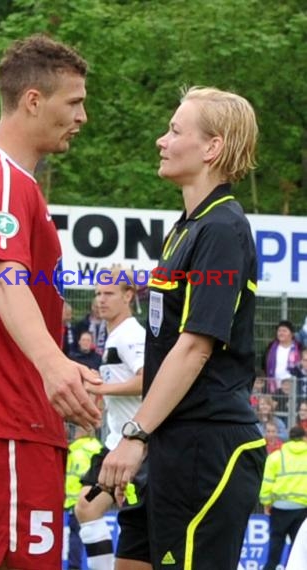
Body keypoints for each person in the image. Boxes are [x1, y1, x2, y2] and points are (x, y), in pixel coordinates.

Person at [0, 34, 101, 570]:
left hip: (5, 416)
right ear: (33, 100)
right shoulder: (6, 182)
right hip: (6, 418)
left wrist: (59, 367)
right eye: (73, 102)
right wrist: (54, 364)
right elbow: (4, 280)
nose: (82, 115)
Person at [99, 86, 267, 570]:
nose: (161, 140)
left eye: (174, 130)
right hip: (168, 442)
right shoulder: (187, 228)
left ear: (212, 148)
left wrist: (134, 434)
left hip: (206, 444)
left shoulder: (222, 228)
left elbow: (195, 348)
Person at [75, 267, 149, 570]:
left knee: (149, 531)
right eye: (97, 294)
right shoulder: (114, 335)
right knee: (86, 507)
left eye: (108, 293)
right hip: (116, 442)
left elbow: (149, 380)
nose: (100, 300)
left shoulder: (130, 334)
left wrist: (101, 387)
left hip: (138, 446)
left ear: (128, 296)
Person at [259, 425, 307, 570]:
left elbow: (266, 483)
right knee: (299, 548)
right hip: (303, 509)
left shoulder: (276, 457)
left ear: (288, 438)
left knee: (275, 546)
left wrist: (266, 503)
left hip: (279, 508)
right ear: (304, 438)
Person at [64, 426, 103, 570]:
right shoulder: (99, 448)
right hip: (99, 501)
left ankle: (74, 567)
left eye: (77, 431)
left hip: (76, 501)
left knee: (75, 537)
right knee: (95, 534)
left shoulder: (74, 450)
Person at [263, 320, 302, 392]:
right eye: (279, 331)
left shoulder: (299, 348)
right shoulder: (270, 347)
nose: (281, 333)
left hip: (294, 388)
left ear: (291, 334)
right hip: (274, 387)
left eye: (284, 331)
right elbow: (264, 365)